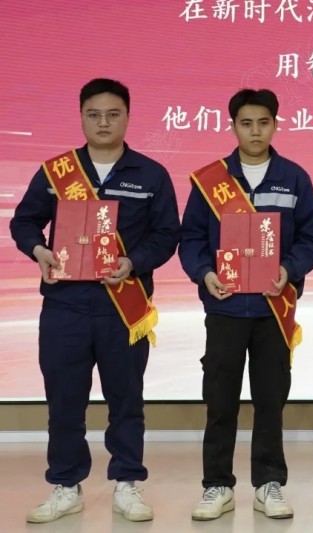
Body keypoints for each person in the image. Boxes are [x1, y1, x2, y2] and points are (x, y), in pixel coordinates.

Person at [10, 78, 181, 523]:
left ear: (127, 117)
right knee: (64, 399)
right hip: (65, 306)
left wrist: (133, 261)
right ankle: (66, 485)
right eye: (94, 114)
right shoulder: (57, 172)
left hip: (123, 306)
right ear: (82, 117)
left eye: (113, 114)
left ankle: (127, 484)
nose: (103, 122)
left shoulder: (151, 175)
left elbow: (167, 235)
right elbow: (24, 221)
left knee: (126, 399)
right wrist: (38, 250)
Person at [179, 88, 313, 521]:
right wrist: (204, 273)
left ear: (275, 125)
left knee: (270, 400)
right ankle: (217, 485)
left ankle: (268, 483)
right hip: (224, 309)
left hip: (272, 312)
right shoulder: (211, 181)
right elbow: (191, 239)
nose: (255, 131)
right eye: (246, 123)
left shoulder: (294, 178)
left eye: (264, 123)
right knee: (220, 401)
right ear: (233, 127)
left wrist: (288, 267)